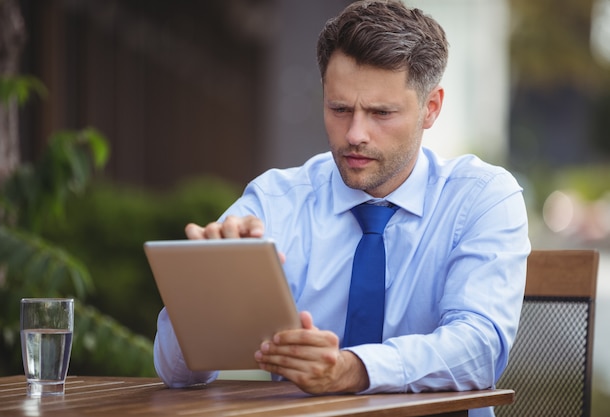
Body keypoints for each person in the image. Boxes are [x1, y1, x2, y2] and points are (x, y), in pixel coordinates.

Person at [153, 1, 530, 416]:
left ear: (431, 108)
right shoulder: (276, 199)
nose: (355, 134)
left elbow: (478, 349)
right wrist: (206, 289)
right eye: (339, 108)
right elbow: (176, 373)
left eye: (381, 113)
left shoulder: (482, 197)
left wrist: (351, 370)